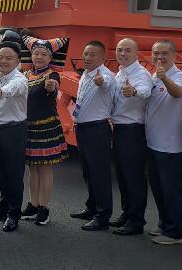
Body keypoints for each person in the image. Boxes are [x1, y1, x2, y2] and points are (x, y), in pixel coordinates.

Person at [18, 38, 69, 226]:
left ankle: (44, 207)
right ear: (31, 55)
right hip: (28, 126)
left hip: (46, 127)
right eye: (36, 53)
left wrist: (51, 87)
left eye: (43, 54)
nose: (39, 57)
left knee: (45, 168)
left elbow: (54, 87)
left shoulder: (52, 75)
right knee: (32, 168)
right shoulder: (24, 75)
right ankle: (32, 204)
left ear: (50, 57)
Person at [70, 40, 116, 231]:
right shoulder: (86, 74)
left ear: (103, 58)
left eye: (92, 55)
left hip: (97, 129)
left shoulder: (105, 75)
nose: (87, 58)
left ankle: (103, 215)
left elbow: (106, 85)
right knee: (88, 171)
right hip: (83, 128)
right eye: (86, 53)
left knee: (99, 173)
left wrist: (102, 82)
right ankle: (92, 207)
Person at [145, 40, 182, 245]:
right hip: (153, 142)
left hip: (171, 145)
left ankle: (175, 233)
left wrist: (164, 79)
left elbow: (177, 92)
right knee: (159, 187)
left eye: (164, 53)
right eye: (155, 53)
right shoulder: (153, 76)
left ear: (173, 55)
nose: (159, 57)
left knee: (173, 190)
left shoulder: (180, 76)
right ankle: (164, 223)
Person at [0, 43, 28, 232]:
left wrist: (2, 92)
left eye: (9, 58)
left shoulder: (19, 79)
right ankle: (3, 208)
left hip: (15, 131)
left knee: (14, 174)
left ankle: (13, 214)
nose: (3, 61)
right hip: (0, 131)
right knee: (1, 171)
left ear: (18, 61)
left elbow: (14, 88)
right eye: (0, 57)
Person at [110, 38, 152, 235]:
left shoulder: (140, 74)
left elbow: (146, 90)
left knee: (133, 176)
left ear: (137, 54)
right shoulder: (120, 73)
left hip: (133, 130)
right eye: (119, 50)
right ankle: (127, 213)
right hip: (119, 129)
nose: (123, 54)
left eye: (127, 50)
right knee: (122, 175)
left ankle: (136, 220)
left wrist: (134, 91)